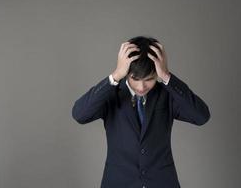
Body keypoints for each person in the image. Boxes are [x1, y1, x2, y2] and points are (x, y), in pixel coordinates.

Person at [71, 36, 210, 188]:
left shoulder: (166, 94)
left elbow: (201, 116)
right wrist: (115, 75)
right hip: (119, 182)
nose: (141, 86)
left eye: (149, 79)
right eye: (135, 78)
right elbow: (80, 114)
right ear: (126, 72)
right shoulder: (111, 94)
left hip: (162, 182)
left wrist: (166, 76)